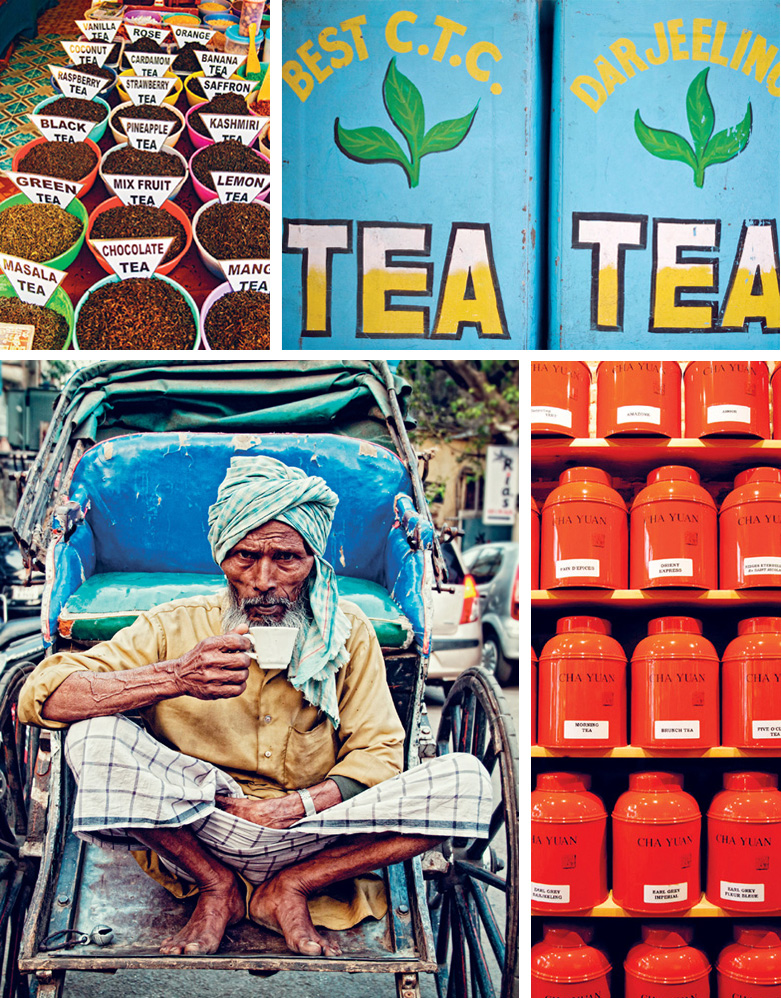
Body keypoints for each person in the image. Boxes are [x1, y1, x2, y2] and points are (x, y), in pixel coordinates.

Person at [18, 455, 491, 957]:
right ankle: (216, 886)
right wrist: (175, 676)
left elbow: (379, 753)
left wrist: (297, 807)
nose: (264, 579)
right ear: (222, 559)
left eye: (286, 558)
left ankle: (293, 886)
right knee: (92, 736)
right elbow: (42, 694)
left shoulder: (347, 633)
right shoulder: (170, 626)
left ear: (313, 559)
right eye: (245, 557)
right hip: (195, 826)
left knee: (468, 783)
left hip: (312, 830)